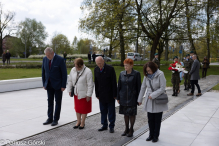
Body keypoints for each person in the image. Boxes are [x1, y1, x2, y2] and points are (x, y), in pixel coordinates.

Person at [138, 61, 168, 143]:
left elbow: (162, 88)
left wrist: (153, 95)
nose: (148, 72)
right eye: (147, 71)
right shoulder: (146, 76)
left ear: (153, 68)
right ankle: (150, 135)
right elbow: (143, 87)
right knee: (150, 119)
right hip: (149, 100)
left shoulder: (160, 74)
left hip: (158, 99)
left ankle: (156, 136)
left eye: (149, 70)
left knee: (157, 120)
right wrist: (139, 99)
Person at [42, 47, 67, 126]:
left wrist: (63, 85)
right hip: (48, 85)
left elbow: (64, 73)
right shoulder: (45, 59)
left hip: (58, 85)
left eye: (48, 55)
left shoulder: (60, 59)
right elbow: (43, 72)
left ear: (52, 53)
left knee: (58, 102)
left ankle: (55, 119)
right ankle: (50, 118)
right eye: (46, 55)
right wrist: (44, 83)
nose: (47, 57)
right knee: (50, 102)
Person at [117, 58, 141, 137]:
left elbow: (139, 87)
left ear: (131, 65)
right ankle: (126, 128)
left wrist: (139, 98)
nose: (125, 67)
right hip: (123, 96)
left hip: (132, 97)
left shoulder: (136, 74)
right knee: (125, 114)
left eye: (127, 65)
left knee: (132, 114)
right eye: (124, 66)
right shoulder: (122, 73)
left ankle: (131, 129)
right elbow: (119, 86)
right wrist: (118, 97)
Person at [67, 58, 93, 129]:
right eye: (76, 66)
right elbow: (70, 81)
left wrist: (89, 95)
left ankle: (82, 122)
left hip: (84, 94)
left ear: (82, 65)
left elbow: (90, 84)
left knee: (84, 109)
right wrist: (69, 90)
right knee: (77, 108)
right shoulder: (73, 70)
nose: (77, 68)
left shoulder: (88, 71)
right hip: (76, 92)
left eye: (78, 67)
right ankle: (78, 121)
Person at [94, 56, 117, 133]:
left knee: (111, 111)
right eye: (97, 64)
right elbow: (96, 83)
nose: (99, 65)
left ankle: (111, 126)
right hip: (101, 94)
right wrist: (97, 94)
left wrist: (115, 94)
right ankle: (104, 125)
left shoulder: (110, 69)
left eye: (100, 63)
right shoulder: (96, 69)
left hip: (110, 94)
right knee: (103, 110)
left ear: (103, 61)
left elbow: (114, 82)